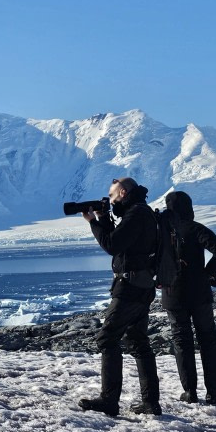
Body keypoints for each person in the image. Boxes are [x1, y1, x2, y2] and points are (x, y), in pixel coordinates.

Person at [78, 177, 162, 417]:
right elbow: (121, 241)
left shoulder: (136, 214)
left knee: (107, 339)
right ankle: (150, 402)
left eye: (112, 196)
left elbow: (112, 245)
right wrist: (104, 219)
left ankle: (109, 400)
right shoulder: (142, 212)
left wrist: (93, 222)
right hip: (142, 285)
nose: (110, 201)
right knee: (137, 341)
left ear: (123, 192)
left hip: (130, 287)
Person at [160, 191, 216, 407]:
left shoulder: (161, 231)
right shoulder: (195, 228)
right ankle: (214, 393)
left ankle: (189, 391)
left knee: (181, 341)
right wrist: (207, 273)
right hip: (199, 292)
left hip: (172, 293)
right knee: (208, 340)